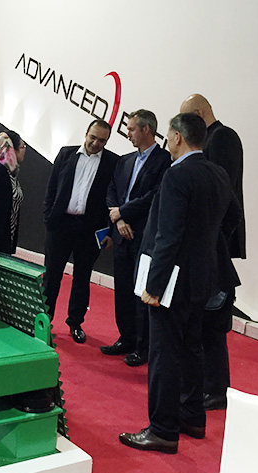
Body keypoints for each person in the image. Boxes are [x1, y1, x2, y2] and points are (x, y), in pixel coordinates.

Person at [119, 113, 241, 454]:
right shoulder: (217, 173)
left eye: (169, 135)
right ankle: (192, 418)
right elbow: (233, 217)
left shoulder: (177, 174)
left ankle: (162, 429)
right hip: (202, 278)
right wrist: (204, 247)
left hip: (171, 282)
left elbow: (168, 235)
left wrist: (154, 287)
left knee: (164, 355)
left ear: (177, 137)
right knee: (192, 349)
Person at [180, 93, 245, 410]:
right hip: (208, 245)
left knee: (212, 324)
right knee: (204, 322)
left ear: (199, 113)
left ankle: (216, 388)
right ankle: (209, 385)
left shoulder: (223, 137)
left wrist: (212, 239)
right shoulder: (215, 138)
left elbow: (223, 195)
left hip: (213, 247)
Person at [100, 110, 171, 365]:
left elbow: (155, 196)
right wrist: (118, 220)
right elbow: (112, 191)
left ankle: (143, 346)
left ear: (146, 129)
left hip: (144, 237)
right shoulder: (125, 160)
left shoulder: (165, 161)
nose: (127, 133)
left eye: (131, 129)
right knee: (122, 291)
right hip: (121, 235)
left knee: (141, 293)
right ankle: (126, 338)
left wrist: (124, 212)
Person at [42, 119, 117, 344]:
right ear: (86, 133)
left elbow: (114, 198)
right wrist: (49, 218)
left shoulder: (112, 162)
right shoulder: (66, 154)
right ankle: (44, 320)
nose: (96, 143)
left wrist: (109, 231)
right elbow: (51, 187)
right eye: (93, 137)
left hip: (90, 229)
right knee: (52, 275)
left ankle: (75, 323)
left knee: (82, 278)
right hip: (60, 225)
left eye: (102, 140)